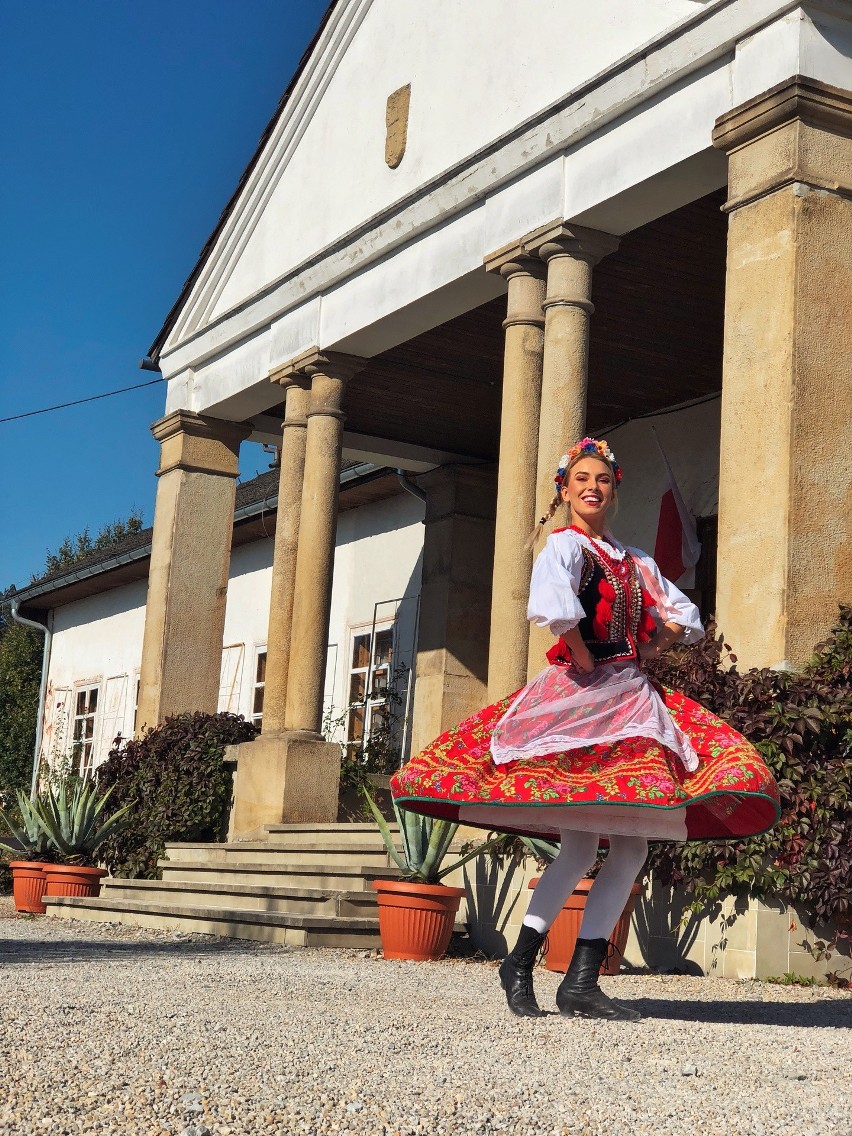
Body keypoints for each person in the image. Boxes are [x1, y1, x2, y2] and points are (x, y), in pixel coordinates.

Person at [391, 437, 780, 1021]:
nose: (593, 487)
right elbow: (556, 609)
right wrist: (586, 657)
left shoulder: (632, 560)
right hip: (581, 697)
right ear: (565, 490)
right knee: (578, 847)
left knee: (631, 844)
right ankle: (522, 962)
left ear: (614, 488)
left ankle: (578, 979)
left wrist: (654, 643)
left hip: (631, 696)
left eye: (602, 479)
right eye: (582, 480)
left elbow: (680, 616)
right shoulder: (565, 547)